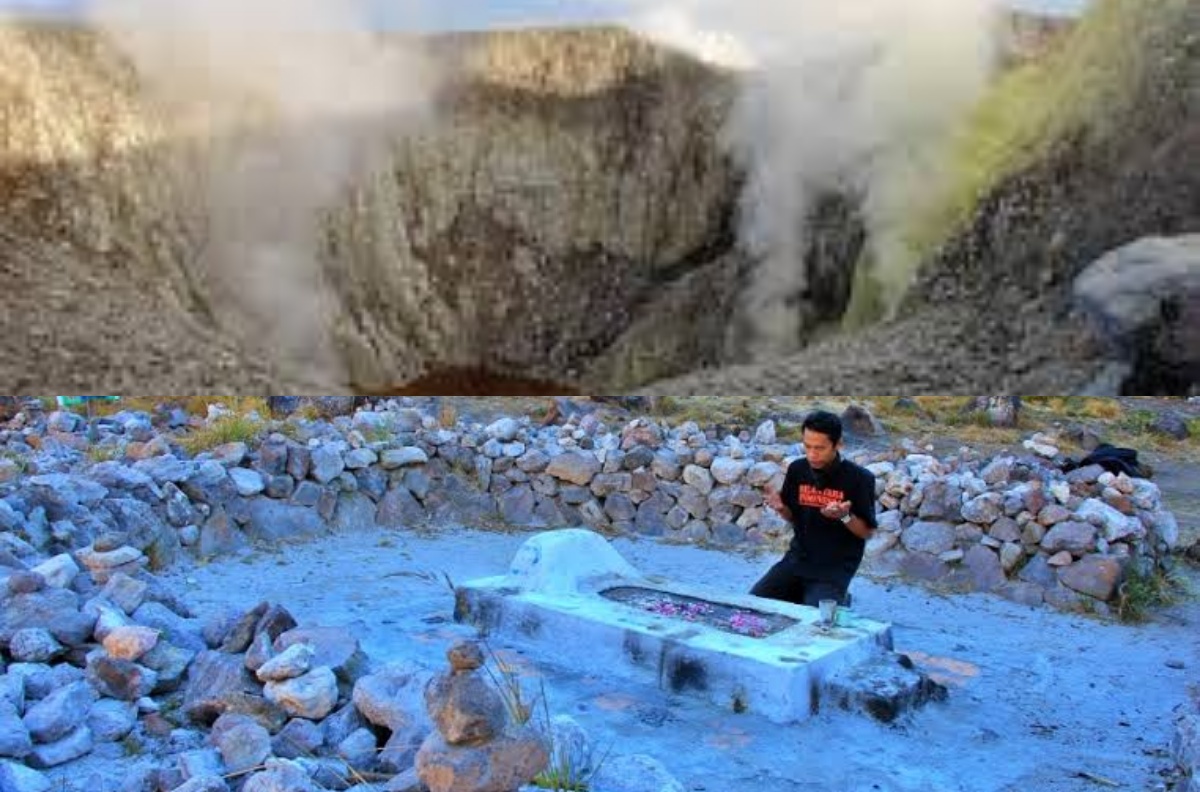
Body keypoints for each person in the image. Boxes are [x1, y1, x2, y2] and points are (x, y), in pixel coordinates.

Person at [751, 410, 877, 607]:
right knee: (753, 605)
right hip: (797, 560)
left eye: (820, 448)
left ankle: (839, 597)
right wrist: (782, 508)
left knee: (817, 621)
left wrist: (844, 516)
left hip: (833, 568)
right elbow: (794, 518)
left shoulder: (860, 479)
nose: (812, 454)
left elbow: (867, 533)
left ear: (838, 444)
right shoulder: (797, 470)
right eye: (807, 446)